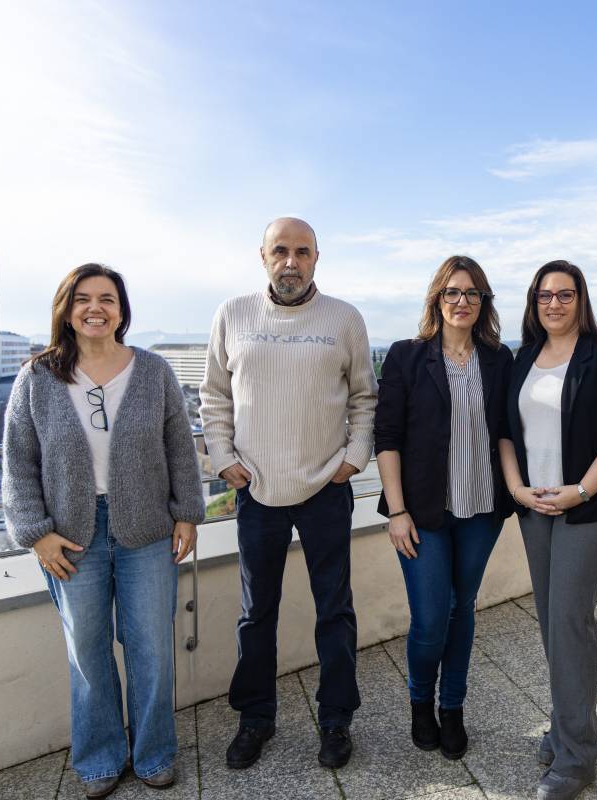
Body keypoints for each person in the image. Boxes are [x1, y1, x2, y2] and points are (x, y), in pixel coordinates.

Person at [3, 264, 203, 798]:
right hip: (70, 536)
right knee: (88, 653)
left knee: (151, 651)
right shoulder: (37, 377)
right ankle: (99, 760)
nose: (96, 308)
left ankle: (156, 753)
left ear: (122, 310)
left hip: (148, 530)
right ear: (66, 309)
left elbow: (180, 448)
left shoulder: (154, 371)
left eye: (108, 299)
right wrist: (35, 533)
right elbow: (18, 463)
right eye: (83, 299)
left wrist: (187, 512)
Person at [199, 217, 377, 771]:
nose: (291, 262)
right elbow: (214, 398)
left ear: (317, 257)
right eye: (281, 251)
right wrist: (224, 460)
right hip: (257, 489)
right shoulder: (233, 315)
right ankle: (255, 719)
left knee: (335, 611)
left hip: (326, 486)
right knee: (257, 614)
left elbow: (365, 399)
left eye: (302, 252)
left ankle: (336, 720)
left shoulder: (344, 319)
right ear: (263, 256)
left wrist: (353, 458)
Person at [500, 260, 597, 800]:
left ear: (581, 299)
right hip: (535, 506)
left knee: (568, 618)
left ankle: (576, 755)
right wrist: (517, 489)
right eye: (544, 296)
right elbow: (504, 431)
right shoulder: (522, 359)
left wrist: (580, 489)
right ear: (533, 303)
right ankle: (566, 726)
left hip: (589, 507)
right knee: (552, 620)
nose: (554, 304)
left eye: (565, 294)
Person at [373, 255, 515, 759]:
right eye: (453, 292)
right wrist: (396, 510)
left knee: (462, 611)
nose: (462, 301)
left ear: (484, 303)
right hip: (422, 514)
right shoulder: (407, 356)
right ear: (437, 298)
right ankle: (420, 704)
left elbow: (505, 433)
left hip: (481, 510)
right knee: (432, 617)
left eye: (473, 293)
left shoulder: (499, 360)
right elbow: (386, 437)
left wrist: (517, 491)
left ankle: (452, 707)